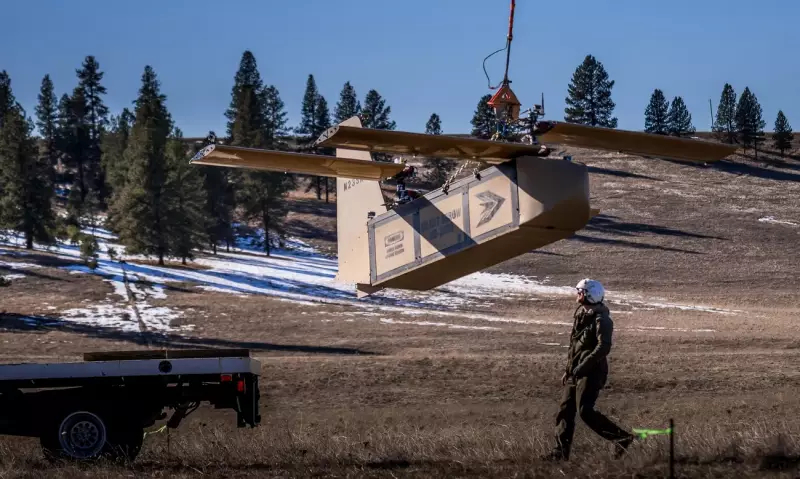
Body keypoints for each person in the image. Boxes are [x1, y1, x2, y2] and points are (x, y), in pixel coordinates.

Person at [543, 278, 634, 461]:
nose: (578, 295)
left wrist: (582, 367)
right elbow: (574, 347)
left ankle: (621, 437)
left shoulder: (603, 320)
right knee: (565, 411)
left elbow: (603, 347)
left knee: (585, 411)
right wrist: (569, 370)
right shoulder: (580, 316)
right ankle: (560, 453)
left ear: (590, 295)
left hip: (592, 372)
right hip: (575, 371)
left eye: (580, 292)